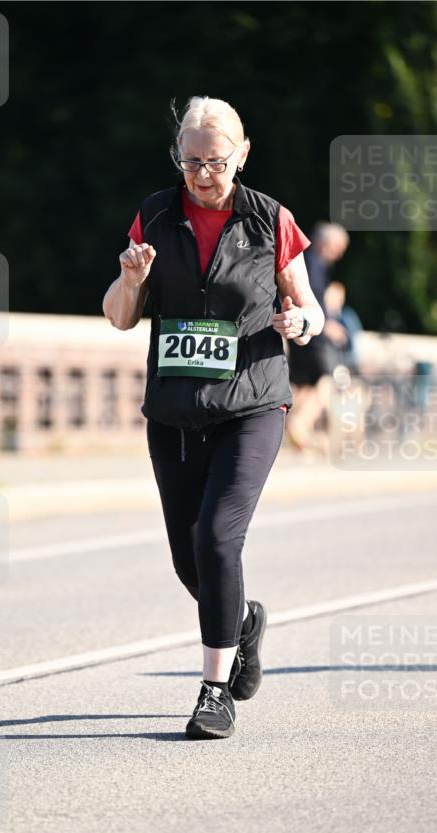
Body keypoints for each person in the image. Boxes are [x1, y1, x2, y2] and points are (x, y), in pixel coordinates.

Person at [102, 96, 324, 740]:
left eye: (215, 161)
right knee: (187, 561)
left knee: (217, 538)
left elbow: (310, 310)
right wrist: (130, 277)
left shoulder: (270, 221)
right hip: (174, 413)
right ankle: (243, 621)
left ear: (242, 154)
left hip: (252, 403)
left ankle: (212, 689)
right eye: (190, 159)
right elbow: (119, 316)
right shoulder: (155, 214)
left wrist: (297, 321)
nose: (201, 173)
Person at [286, 223, 349, 450]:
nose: (340, 253)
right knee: (325, 381)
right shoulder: (312, 264)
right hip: (312, 333)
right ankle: (299, 425)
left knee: (303, 384)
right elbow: (310, 299)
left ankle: (294, 426)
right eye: (338, 246)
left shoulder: (310, 263)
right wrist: (328, 323)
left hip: (302, 329)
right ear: (324, 242)